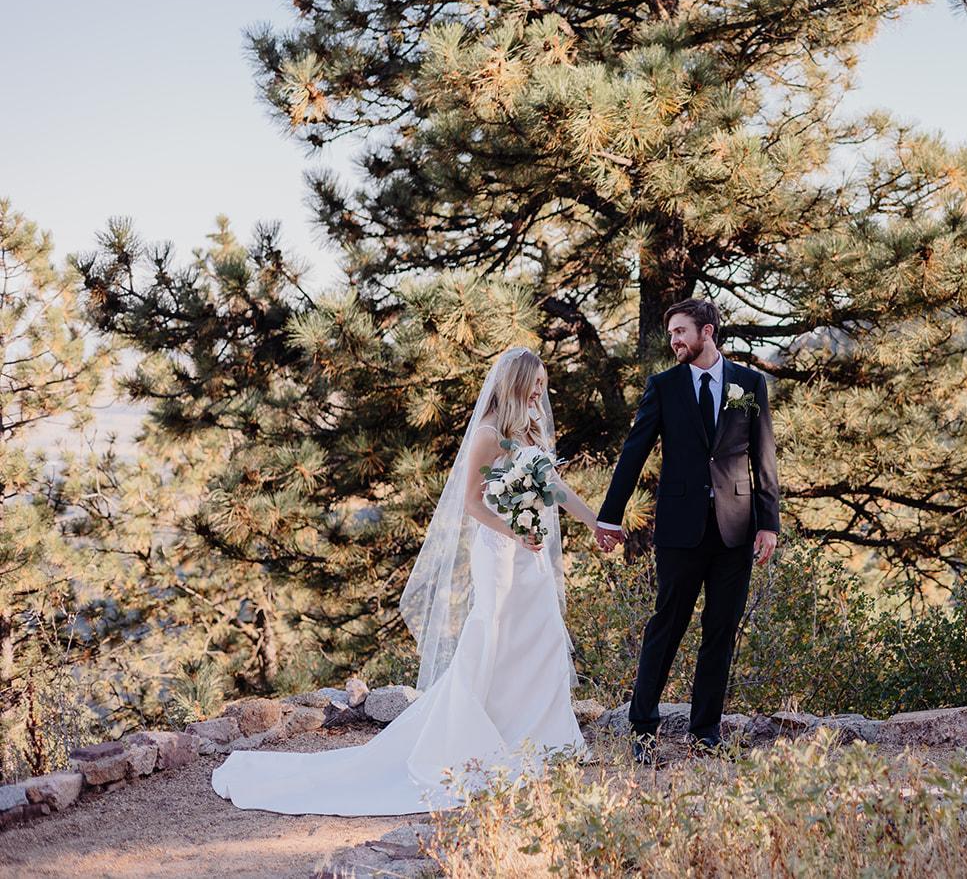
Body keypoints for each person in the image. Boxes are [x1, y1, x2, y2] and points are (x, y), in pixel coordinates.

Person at [211, 347, 607, 815]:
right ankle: (473, 743)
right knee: (493, 637)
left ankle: (545, 740)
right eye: (535, 383)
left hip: (528, 555)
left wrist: (595, 522)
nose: (541, 391)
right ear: (515, 383)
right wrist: (514, 531)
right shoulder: (488, 433)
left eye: (543, 383)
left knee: (538, 636)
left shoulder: (528, 432)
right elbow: (473, 503)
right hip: (500, 551)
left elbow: (553, 488)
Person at [595, 298, 781, 762]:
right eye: (672, 334)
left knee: (721, 630)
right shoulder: (664, 386)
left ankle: (705, 733)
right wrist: (609, 515)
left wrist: (769, 524)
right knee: (667, 627)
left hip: (736, 528)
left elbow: (763, 456)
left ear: (707, 332)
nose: (674, 341)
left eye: (681, 331)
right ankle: (642, 732)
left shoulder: (748, 383)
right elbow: (634, 452)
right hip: (680, 529)